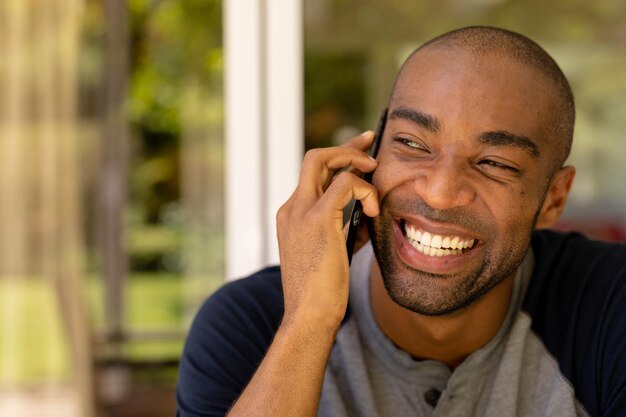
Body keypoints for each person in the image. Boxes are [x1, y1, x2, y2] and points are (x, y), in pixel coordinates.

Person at [176, 26, 626, 417]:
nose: (440, 191)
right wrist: (308, 322)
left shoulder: (610, 307)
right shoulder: (248, 325)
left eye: (494, 163)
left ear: (553, 198)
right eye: (411, 143)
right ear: (368, 158)